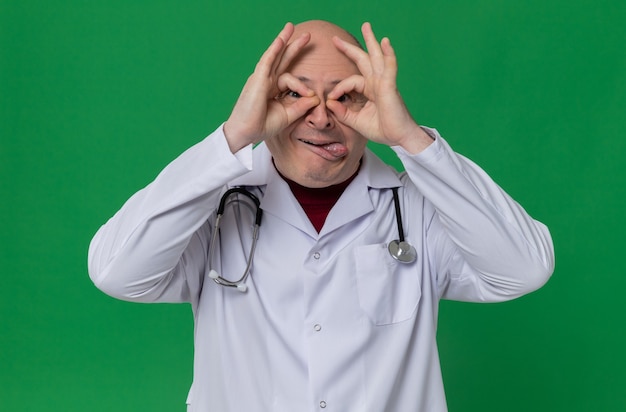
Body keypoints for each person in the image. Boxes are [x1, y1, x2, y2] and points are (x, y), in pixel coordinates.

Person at [88, 20, 554, 412]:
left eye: (345, 96)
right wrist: (233, 138)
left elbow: (524, 269)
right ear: (264, 100)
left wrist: (410, 139)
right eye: (296, 95)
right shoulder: (213, 205)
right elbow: (117, 272)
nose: (322, 116)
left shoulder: (418, 208)